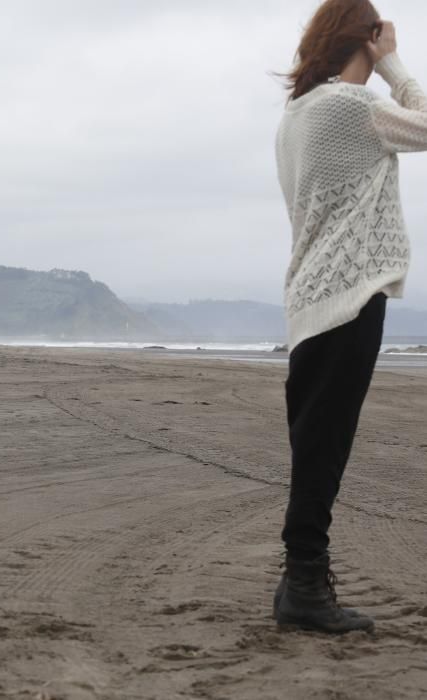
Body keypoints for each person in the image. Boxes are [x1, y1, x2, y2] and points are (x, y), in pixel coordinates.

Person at [272, 0, 427, 634]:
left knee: (316, 448)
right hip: (348, 296)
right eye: (377, 35)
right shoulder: (349, 105)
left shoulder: (296, 115)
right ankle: (304, 588)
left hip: (311, 302)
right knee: (323, 451)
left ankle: (299, 585)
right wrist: (392, 62)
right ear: (364, 36)